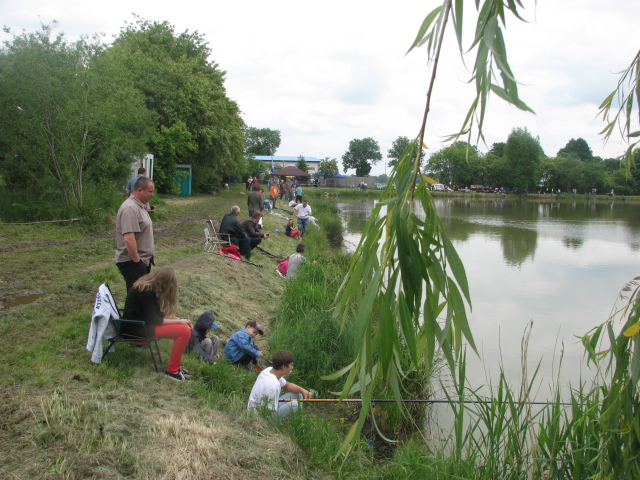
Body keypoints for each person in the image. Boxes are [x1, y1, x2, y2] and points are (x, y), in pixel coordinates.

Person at [123, 266, 193, 381]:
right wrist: (179, 321)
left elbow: (158, 314)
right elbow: (155, 320)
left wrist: (179, 319)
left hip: (141, 325)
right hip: (136, 330)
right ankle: (172, 371)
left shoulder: (148, 288)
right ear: (165, 282)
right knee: (184, 331)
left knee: (184, 327)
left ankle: (175, 367)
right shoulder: (146, 291)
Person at [116, 176, 155, 292]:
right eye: (150, 191)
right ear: (139, 190)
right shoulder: (130, 208)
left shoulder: (140, 206)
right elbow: (128, 239)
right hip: (132, 262)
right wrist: (137, 262)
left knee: (141, 297)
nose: (152, 194)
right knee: (136, 297)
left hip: (141, 261)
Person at [247, 350, 313, 420]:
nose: (292, 368)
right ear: (284, 367)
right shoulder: (273, 385)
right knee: (294, 405)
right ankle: (295, 422)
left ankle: (297, 419)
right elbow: (269, 411)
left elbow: (286, 385)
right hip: (260, 417)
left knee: (298, 394)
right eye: (291, 365)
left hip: (263, 407)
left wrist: (303, 391)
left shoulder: (269, 370)